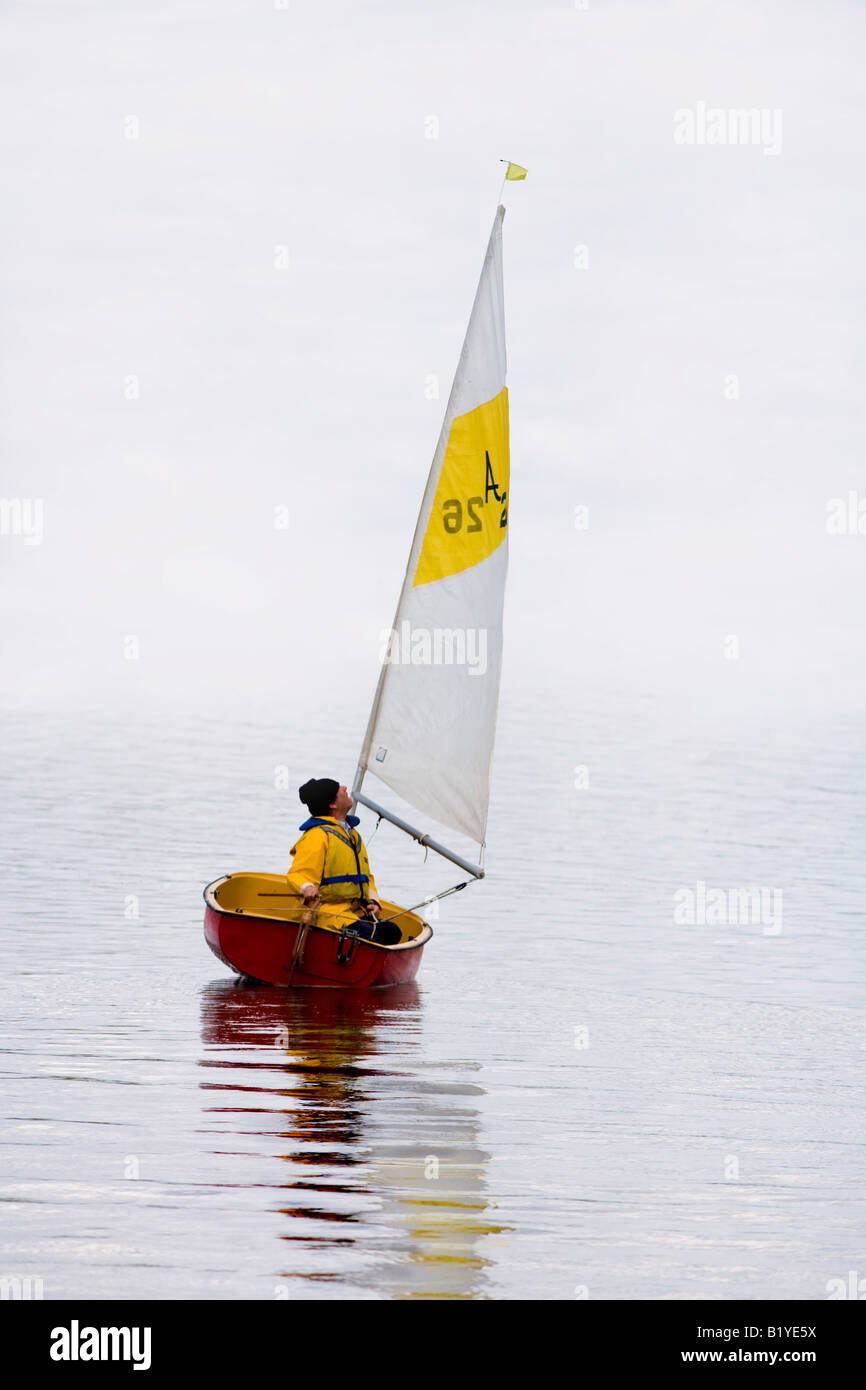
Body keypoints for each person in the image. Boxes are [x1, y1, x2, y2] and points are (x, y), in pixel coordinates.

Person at [288, 778, 402, 946]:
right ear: (332, 804)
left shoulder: (352, 835)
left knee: (392, 931)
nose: (345, 788)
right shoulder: (317, 836)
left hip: (353, 912)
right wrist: (307, 887)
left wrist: (373, 902)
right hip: (328, 914)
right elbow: (297, 874)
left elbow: (366, 877)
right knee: (379, 935)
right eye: (338, 789)